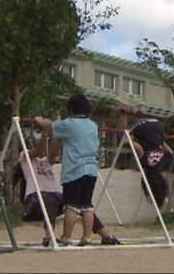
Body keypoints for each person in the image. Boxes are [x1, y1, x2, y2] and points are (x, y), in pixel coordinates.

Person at [13, 135, 120, 247]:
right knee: (48, 199)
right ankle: (48, 237)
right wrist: (45, 132)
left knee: (80, 203)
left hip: (53, 196)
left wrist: (56, 135)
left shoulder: (46, 162)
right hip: (34, 200)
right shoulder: (24, 158)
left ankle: (106, 236)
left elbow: (53, 152)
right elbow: (39, 151)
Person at [33, 94, 100, 246]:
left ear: (70, 110)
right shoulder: (93, 125)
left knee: (71, 205)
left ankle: (66, 237)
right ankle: (87, 238)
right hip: (91, 170)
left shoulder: (69, 124)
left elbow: (50, 125)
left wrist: (39, 119)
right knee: (87, 205)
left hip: (75, 170)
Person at [128, 117, 174, 208]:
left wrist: (160, 142)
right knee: (124, 137)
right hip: (141, 124)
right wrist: (131, 141)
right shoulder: (146, 164)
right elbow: (140, 150)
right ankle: (123, 112)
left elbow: (170, 152)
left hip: (157, 124)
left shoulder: (163, 163)